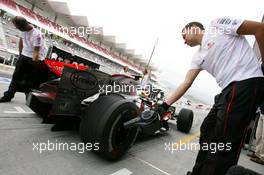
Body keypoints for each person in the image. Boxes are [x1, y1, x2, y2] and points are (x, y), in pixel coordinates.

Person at [156, 18, 264, 175]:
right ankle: (198, 172)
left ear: (193, 27)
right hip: (227, 88)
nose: (183, 41)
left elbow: (259, 29)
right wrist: (165, 105)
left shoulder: (217, 26)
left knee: (224, 141)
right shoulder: (198, 57)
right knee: (207, 130)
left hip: (247, 82)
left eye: (183, 35)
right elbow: (186, 82)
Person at [0, 16, 46, 102]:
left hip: (34, 59)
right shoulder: (24, 30)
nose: (17, 29)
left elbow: (36, 51)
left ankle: (29, 98)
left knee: (30, 80)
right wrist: (20, 54)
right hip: (24, 55)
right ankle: (9, 95)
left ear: (23, 26)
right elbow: (21, 41)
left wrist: (33, 63)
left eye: (17, 27)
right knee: (16, 77)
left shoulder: (37, 35)